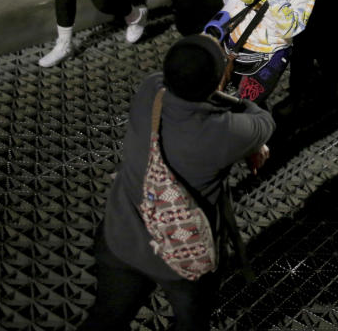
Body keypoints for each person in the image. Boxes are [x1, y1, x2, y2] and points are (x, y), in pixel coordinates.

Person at [78, 34, 272, 331]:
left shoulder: (149, 92)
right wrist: (224, 94)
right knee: (191, 322)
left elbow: (176, 82)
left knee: (106, 318)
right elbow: (263, 122)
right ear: (217, 80)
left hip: (121, 240)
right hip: (182, 258)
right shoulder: (225, 132)